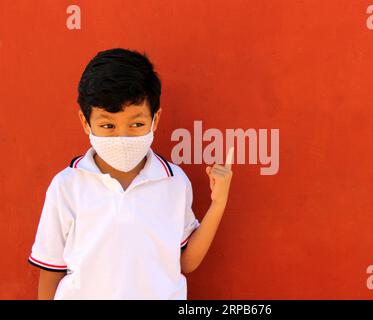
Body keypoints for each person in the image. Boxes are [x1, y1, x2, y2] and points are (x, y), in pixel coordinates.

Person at [27, 48, 233, 299]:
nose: (122, 136)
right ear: (85, 122)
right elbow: (50, 272)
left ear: (155, 120)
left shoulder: (174, 181)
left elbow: (185, 262)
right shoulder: (67, 186)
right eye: (108, 125)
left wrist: (218, 202)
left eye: (136, 124)